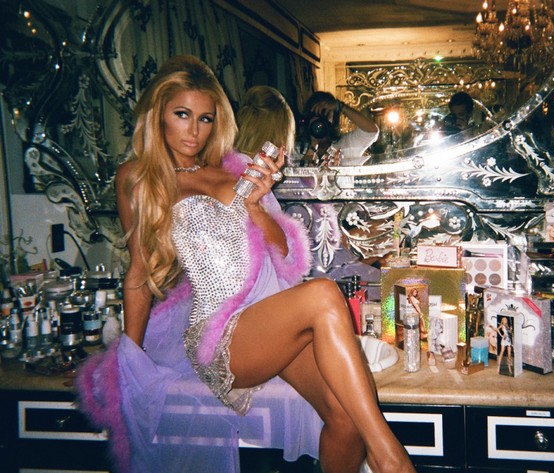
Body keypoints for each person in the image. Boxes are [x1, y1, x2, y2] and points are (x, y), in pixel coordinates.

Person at [77, 56, 414, 473]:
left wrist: (254, 205)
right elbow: (139, 275)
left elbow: (286, 258)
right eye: (182, 115)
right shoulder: (137, 177)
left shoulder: (234, 169)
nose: (194, 130)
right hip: (219, 334)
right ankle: (390, 457)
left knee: (345, 420)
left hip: (267, 316)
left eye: (204, 118)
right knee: (325, 294)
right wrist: (129, 359)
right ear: (158, 114)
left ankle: (380, 451)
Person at [295, 91, 379, 166]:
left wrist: (340, 106)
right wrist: (313, 145)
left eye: (325, 113)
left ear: (334, 118)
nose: (320, 120)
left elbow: (371, 132)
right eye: (314, 115)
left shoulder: (346, 143)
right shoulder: (297, 149)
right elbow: (298, 176)